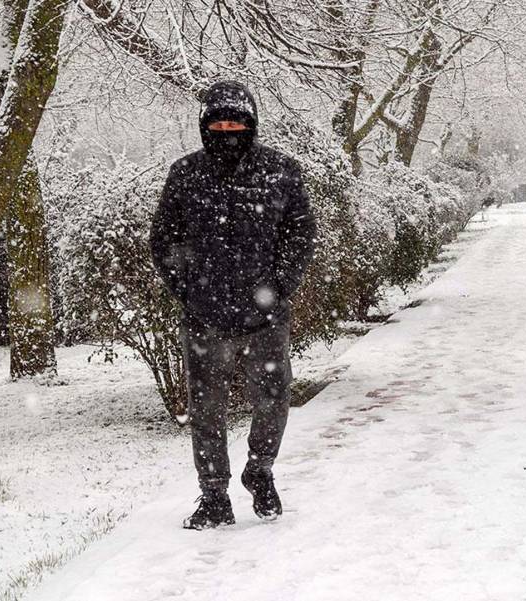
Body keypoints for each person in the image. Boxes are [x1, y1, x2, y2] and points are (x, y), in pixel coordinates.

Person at [150, 80, 317, 530]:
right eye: (219, 122)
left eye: (236, 122)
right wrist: (188, 291)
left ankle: (260, 470)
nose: (228, 129)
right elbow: (164, 240)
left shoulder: (280, 171)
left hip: (265, 316)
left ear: (251, 123)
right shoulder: (185, 174)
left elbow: (300, 233)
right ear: (205, 125)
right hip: (205, 318)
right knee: (205, 409)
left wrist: (280, 287)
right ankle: (214, 496)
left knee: (274, 398)